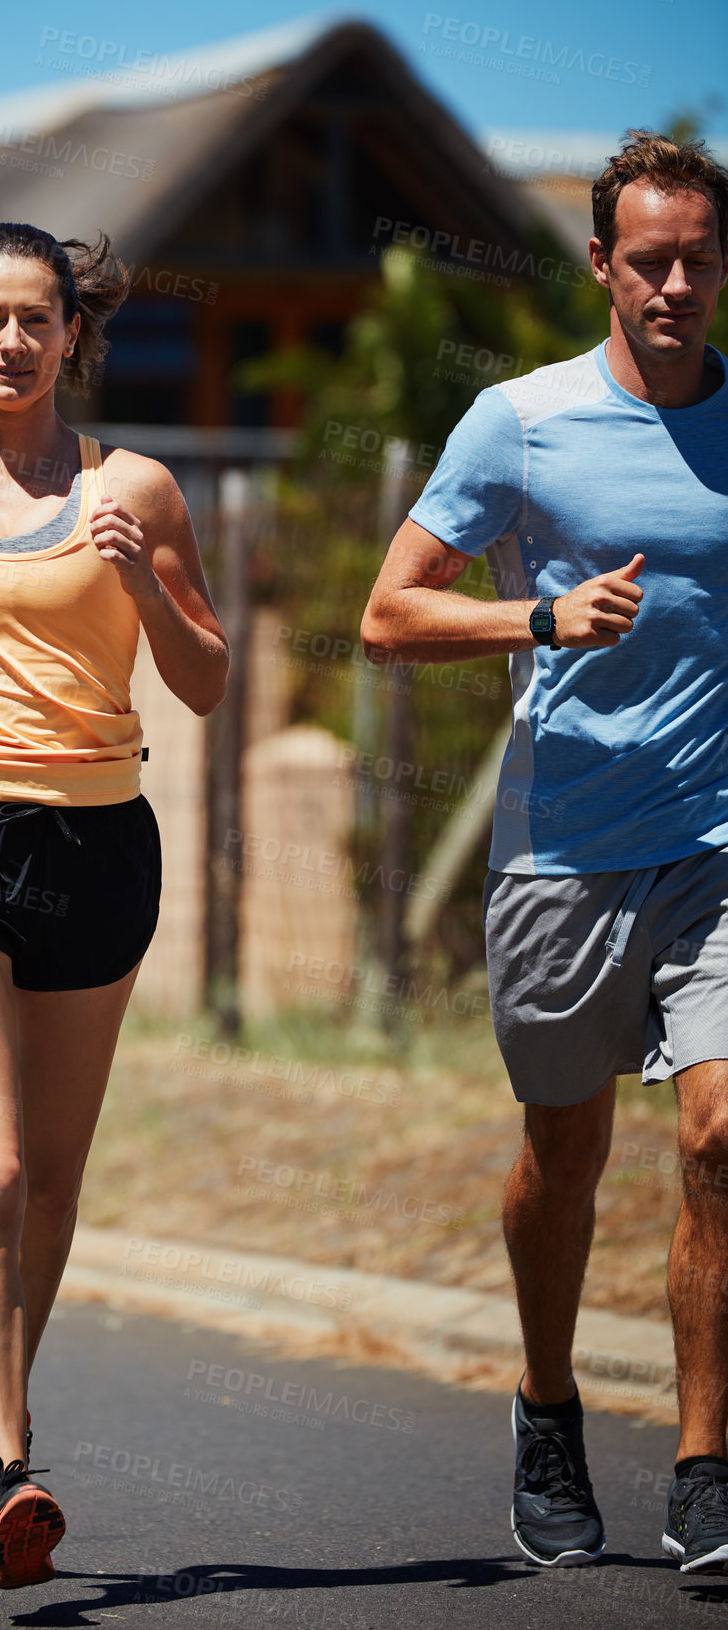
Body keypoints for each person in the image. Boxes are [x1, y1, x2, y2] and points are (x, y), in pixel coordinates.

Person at [361, 132, 728, 1573]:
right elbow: (390, 612)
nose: (677, 285)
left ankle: (703, 1466)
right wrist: (538, 621)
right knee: (562, 1155)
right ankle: (547, 1404)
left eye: (699, 259)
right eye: (649, 260)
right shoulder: (517, 423)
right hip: (563, 857)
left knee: (717, 1138)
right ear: (599, 264)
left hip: (715, 849)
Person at [0, 222, 228, 1589]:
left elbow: (204, 680)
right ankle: (13, 1469)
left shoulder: (139, 488)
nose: (10, 340)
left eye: (35, 317)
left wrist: (135, 574)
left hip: (94, 844)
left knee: (58, 1185)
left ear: (72, 333)